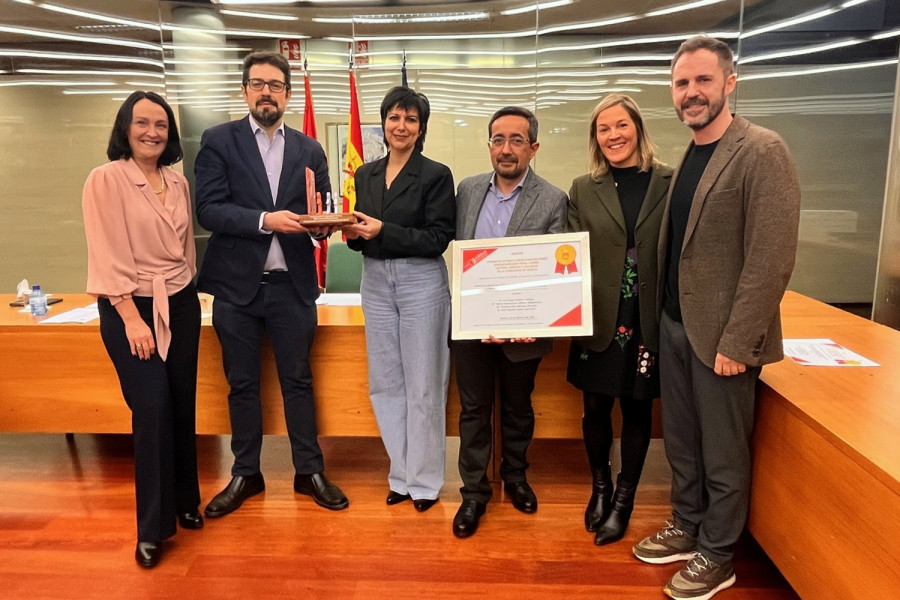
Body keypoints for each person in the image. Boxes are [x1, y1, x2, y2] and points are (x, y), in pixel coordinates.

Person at [632, 36, 800, 600]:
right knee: (682, 442)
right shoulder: (692, 153)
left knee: (724, 452)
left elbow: (770, 258)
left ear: (731, 82)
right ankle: (688, 524)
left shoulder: (761, 149)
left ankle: (718, 553)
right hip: (677, 328)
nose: (691, 93)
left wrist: (739, 340)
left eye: (703, 80)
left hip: (722, 340)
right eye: (682, 84)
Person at [195, 51, 348, 517]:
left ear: (287, 94)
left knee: (298, 382)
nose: (266, 92)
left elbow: (319, 205)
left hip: (292, 285)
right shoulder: (219, 141)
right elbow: (208, 209)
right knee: (242, 385)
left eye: (275, 85)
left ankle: (309, 471)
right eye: (258, 83)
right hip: (237, 289)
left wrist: (322, 226)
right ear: (244, 91)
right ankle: (246, 473)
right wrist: (265, 220)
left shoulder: (309, 148)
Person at [82, 91, 203, 568]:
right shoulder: (106, 180)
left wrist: (188, 292)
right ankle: (152, 528)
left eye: (161, 124)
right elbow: (107, 252)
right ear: (125, 128)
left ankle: (185, 500)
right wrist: (132, 317)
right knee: (151, 408)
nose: (152, 132)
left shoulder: (177, 181)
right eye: (142, 123)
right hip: (129, 306)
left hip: (180, 302)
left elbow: (186, 246)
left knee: (181, 404)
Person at [452, 106, 567, 538]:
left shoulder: (553, 199)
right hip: (472, 327)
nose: (506, 149)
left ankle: (516, 478)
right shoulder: (466, 190)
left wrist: (538, 318)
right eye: (498, 139)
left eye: (516, 140)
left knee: (518, 409)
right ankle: (474, 493)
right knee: (474, 411)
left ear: (533, 148)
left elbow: (559, 268)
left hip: (525, 328)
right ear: (489, 146)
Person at [566, 94, 673, 546]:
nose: (613, 135)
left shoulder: (670, 179)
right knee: (594, 408)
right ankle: (601, 487)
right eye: (603, 129)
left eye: (621, 125)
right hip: (598, 314)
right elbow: (566, 254)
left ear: (638, 128)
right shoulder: (582, 187)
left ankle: (624, 499)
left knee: (636, 408)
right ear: (596, 138)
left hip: (646, 316)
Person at [344, 86, 455, 512]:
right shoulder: (365, 175)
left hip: (420, 281)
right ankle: (401, 474)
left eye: (410, 119)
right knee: (386, 383)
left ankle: (425, 482)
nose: (401, 126)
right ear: (384, 122)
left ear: (421, 127)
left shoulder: (435, 174)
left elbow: (438, 238)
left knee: (424, 384)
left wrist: (381, 231)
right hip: (374, 280)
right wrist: (351, 233)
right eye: (394, 117)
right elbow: (362, 238)